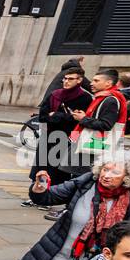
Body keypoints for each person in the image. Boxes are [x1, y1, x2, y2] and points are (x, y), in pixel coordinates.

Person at [15, 153, 130, 260]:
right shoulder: (86, 183)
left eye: (115, 172)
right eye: (105, 169)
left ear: (128, 177)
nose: (106, 175)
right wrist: (39, 188)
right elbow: (47, 197)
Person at [27, 66, 93, 206]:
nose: (66, 81)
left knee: (58, 170)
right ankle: (37, 195)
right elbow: (44, 116)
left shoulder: (85, 98)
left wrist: (56, 115)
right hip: (49, 135)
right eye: (65, 78)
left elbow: (79, 120)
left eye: (70, 79)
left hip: (67, 138)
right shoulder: (55, 94)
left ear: (79, 80)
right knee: (41, 166)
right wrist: (64, 117)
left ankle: (51, 198)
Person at [69, 69, 123, 166]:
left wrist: (83, 119)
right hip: (91, 144)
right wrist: (84, 116)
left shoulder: (110, 100)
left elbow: (106, 125)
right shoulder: (102, 97)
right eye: (93, 80)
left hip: (94, 145)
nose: (91, 83)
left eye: (96, 81)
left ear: (108, 83)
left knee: (82, 177)